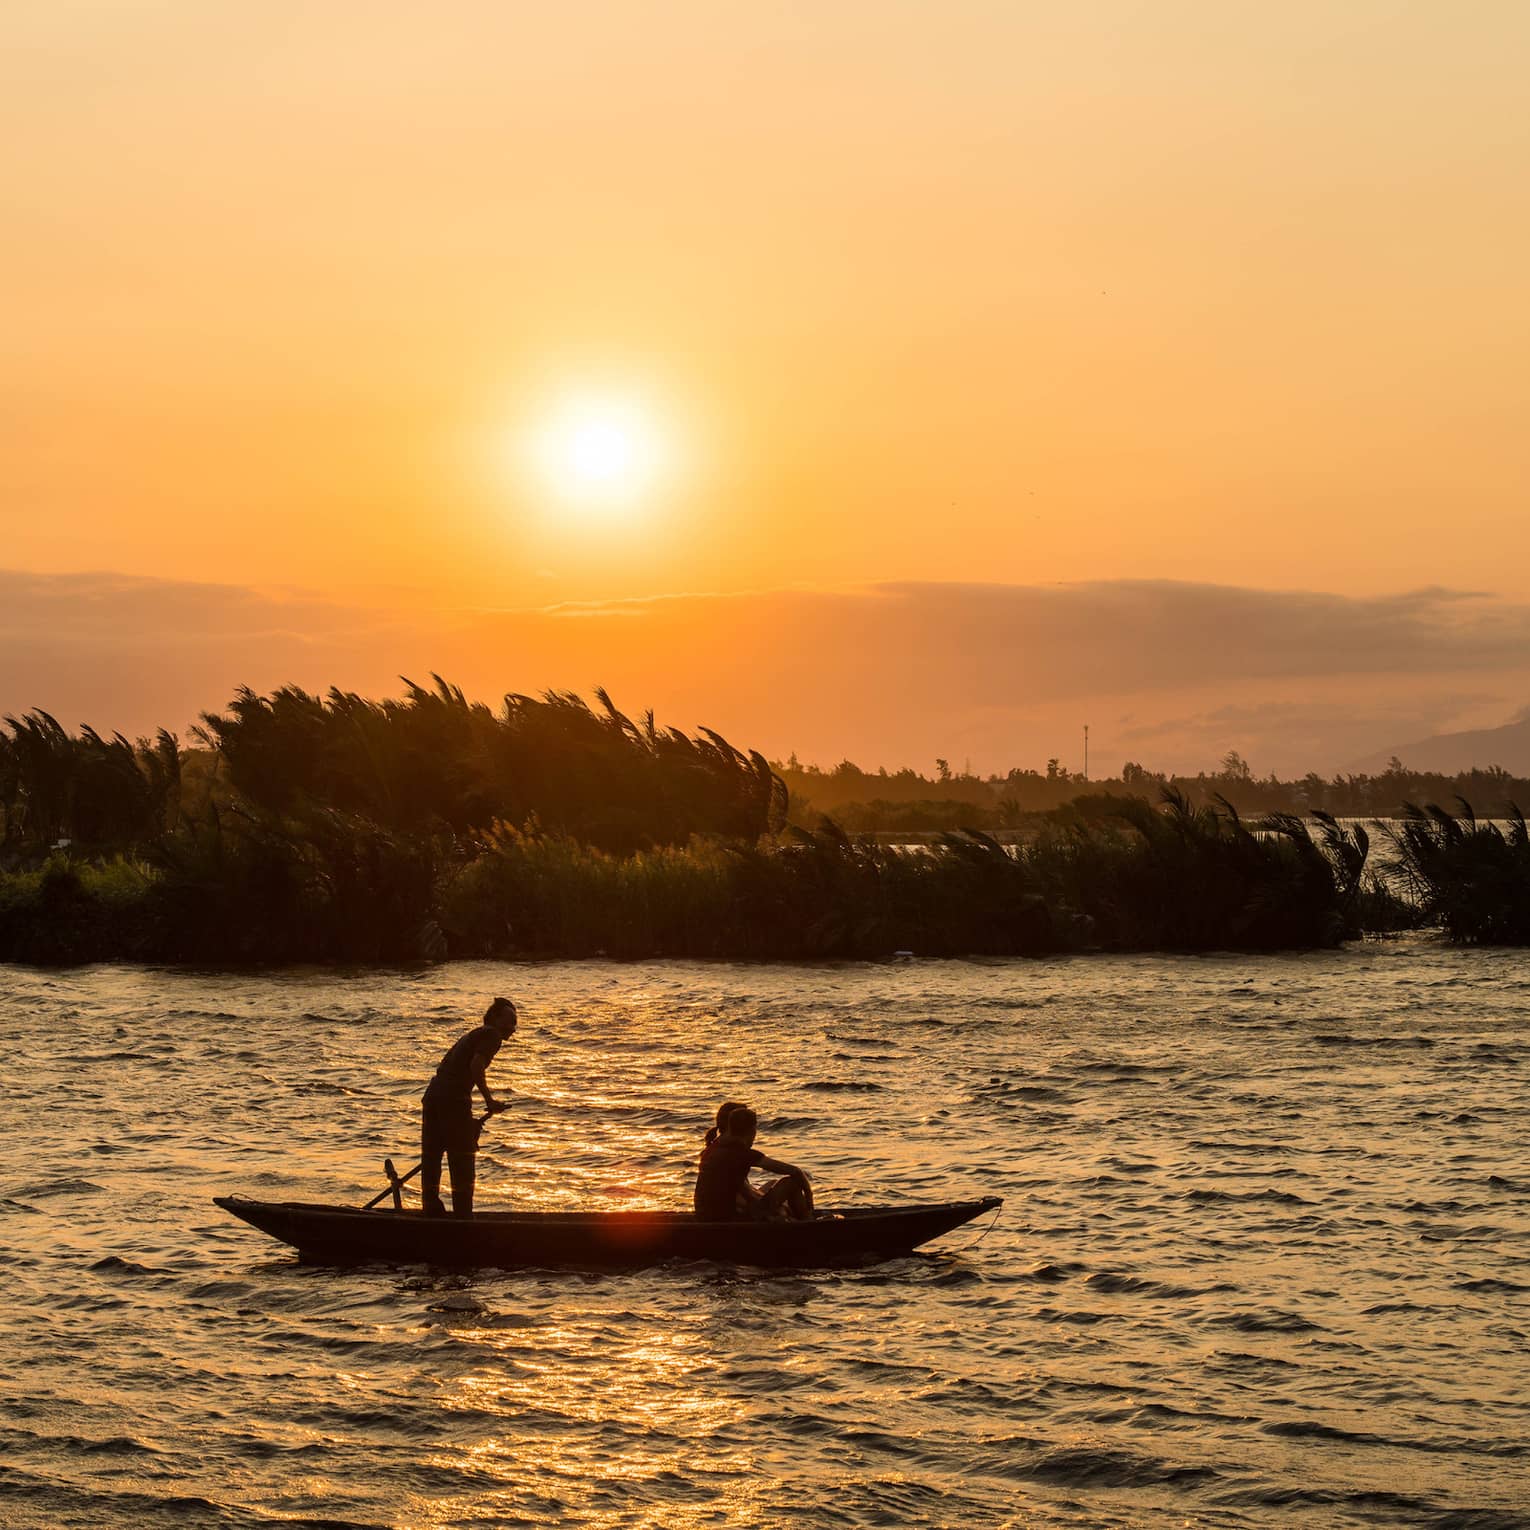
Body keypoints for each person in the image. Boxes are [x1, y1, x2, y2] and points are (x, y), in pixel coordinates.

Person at [420, 997, 517, 1217]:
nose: (513, 1028)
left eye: (515, 1022)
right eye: (509, 1021)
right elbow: (476, 1065)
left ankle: (431, 1213)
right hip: (452, 1100)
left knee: (431, 1157)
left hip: (433, 1096)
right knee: (462, 1158)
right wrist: (489, 1101)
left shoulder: (476, 1034)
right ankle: (463, 1219)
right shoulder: (491, 1035)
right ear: (494, 1018)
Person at [694, 1105, 814, 1221]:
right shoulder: (741, 1153)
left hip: (706, 1213)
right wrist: (808, 1194)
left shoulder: (713, 1149)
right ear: (752, 1130)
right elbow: (795, 1171)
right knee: (791, 1183)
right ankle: (807, 1222)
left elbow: (743, 1193)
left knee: (773, 1184)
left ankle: (797, 1218)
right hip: (728, 1217)